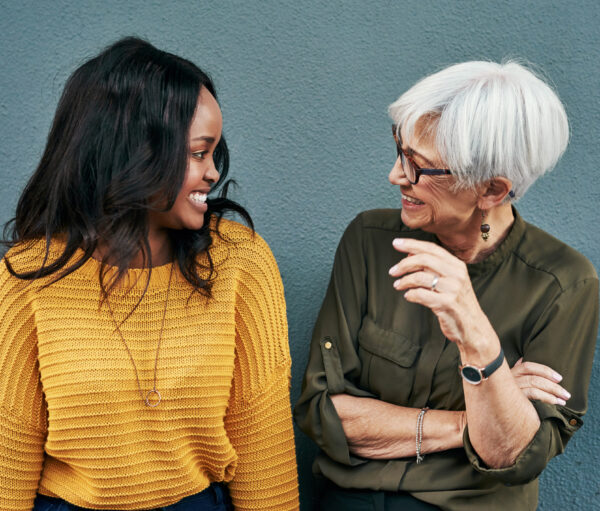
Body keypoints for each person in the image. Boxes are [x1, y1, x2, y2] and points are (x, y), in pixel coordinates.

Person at [0, 37, 299, 511]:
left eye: (215, 154)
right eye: (199, 154)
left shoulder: (240, 262)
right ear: (134, 153)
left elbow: (265, 445)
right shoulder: (27, 278)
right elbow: (8, 461)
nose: (212, 173)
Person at [294, 60, 598, 510]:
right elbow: (324, 412)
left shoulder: (564, 286)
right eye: (401, 151)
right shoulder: (370, 241)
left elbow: (510, 455)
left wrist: (475, 331)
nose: (397, 176)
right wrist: (471, 420)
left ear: (492, 191)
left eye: (420, 167)